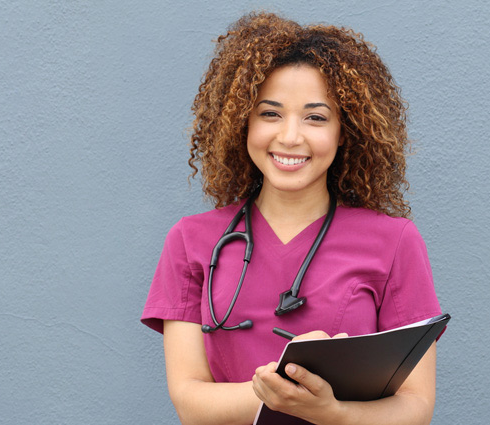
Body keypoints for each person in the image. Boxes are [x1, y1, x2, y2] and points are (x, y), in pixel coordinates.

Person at [141, 12, 443, 425]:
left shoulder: (395, 241)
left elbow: (416, 408)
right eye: (270, 113)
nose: (290, 136)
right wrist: (279, 390)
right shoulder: (190, 240)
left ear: (344, 131)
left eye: (316, 117)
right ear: (241, 122)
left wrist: (332, 412)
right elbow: (190, 403)